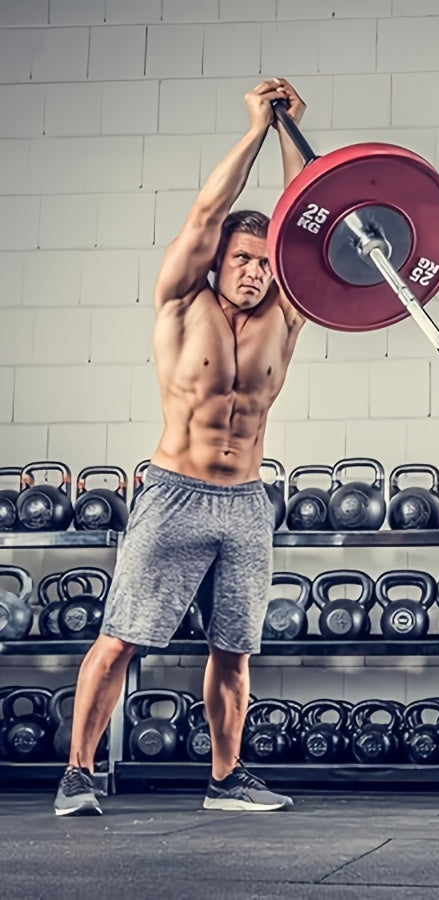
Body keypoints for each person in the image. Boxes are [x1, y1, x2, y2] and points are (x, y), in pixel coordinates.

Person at [54, 78, 309, 816]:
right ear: (217, 258)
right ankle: (79, 774)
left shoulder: (287, 316)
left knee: (235, 652)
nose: (256, 270)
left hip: (248, 502)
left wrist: (293, 132)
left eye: (265, 262)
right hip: (173, 494)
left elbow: (307, 230)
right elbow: (205, 212)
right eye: (244, 258)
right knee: (120, 638)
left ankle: (227, 781)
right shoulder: (180, 301)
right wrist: (259, 127)